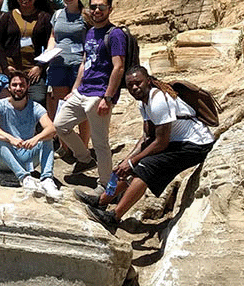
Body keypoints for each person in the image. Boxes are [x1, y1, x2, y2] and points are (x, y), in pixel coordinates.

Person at [85, 66, 216, 228]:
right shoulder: (144, 102)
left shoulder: (158, 101)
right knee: (128, 166)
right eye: (130, 84)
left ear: (148, 81)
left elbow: (161, 142)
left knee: (145, 166)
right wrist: (127, 161)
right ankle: (102, 201)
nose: (134, 87)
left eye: (138, 83)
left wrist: (134, 162)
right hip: (178, 142)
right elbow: (147, 137)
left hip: (197, 144)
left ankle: (114, 217)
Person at [57, 0, 127, 193]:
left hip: (99, 95)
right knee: (60, 126)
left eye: (101, 7)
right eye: (94, 6)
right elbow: (85, 62)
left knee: (100, 142)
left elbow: (118, 67)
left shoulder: (115, 35)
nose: (97, 10)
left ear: (110, 9)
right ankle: (85, 159)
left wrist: (108, 97)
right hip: (83, 91)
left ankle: (106, 185)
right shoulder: (90, 31)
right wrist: (75, 89)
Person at [0, 69, 60, 196]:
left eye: (21, 85)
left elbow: (51, 129)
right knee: (1, 142)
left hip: (26, 154)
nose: (18, 88)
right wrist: (10, 138)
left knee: (46, 139)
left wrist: (36, 139)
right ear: (9, 87)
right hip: (4, 158)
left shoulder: (36, 107)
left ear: (27, 87)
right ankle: (25, 178)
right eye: (14, 85)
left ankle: (47, 179)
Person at [0, 0, 55, 104]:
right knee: (9, 102)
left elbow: (51, 43)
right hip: (11, 71)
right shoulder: (7, 17)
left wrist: (40, 66)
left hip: (33, 72)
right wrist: (5, 67)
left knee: (38, 100)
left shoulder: (44, 17)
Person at [48, 0, 89, 127]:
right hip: (58, 64)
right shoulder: (57, 14)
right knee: (61, 108)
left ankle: (83, 148)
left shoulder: (86, 16)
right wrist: (49, 51)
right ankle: (66, 148)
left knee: (82, 109)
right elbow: (53, 36)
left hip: (79, 66)